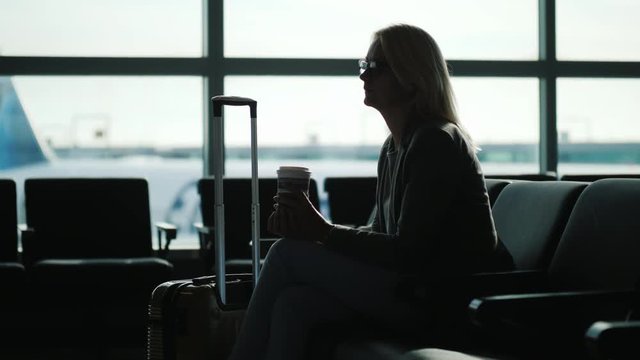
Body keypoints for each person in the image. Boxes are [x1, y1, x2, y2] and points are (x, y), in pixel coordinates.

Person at [227, 23, 513, 360]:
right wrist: (316, 231)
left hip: (445, 299)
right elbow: (380, 236)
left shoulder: (435, 141)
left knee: (285, 254)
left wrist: (323, 232)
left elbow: (408, 253)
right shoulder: (395, 146)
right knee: (295, 305)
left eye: (375, 67)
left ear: (411, 77)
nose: (364, 77)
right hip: (414, 288)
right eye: (364, 67)